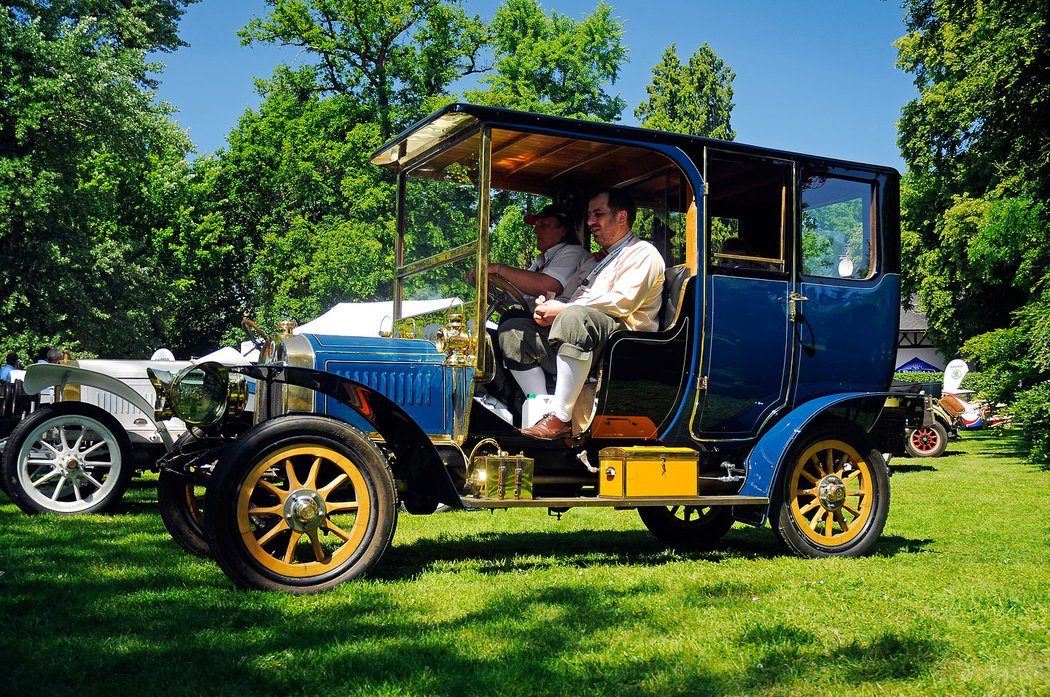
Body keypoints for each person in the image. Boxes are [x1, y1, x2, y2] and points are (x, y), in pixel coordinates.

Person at [499, 188, 665, 439]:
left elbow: (621, 303)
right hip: (584, 337)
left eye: (598, 214)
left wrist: (564, 310)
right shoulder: (599, 260)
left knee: (574, 318)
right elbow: (577, 299)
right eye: (589, 215)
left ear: (621, 218)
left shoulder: (643, 253)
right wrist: (549, 308)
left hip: (622, 348)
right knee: (514, 329)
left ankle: (560, 418)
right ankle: (540, 411)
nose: (590, 222)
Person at [482, 204, 589, 311]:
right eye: (536, 226)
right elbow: (511, 294)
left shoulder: (574, 252)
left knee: (511, 322)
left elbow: (547, 287)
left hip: (552, 324)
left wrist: (499, 268)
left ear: (563, 230)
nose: (535, 231)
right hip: (533, 320)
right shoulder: (541, 262)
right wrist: (483, 283)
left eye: (543, 226)